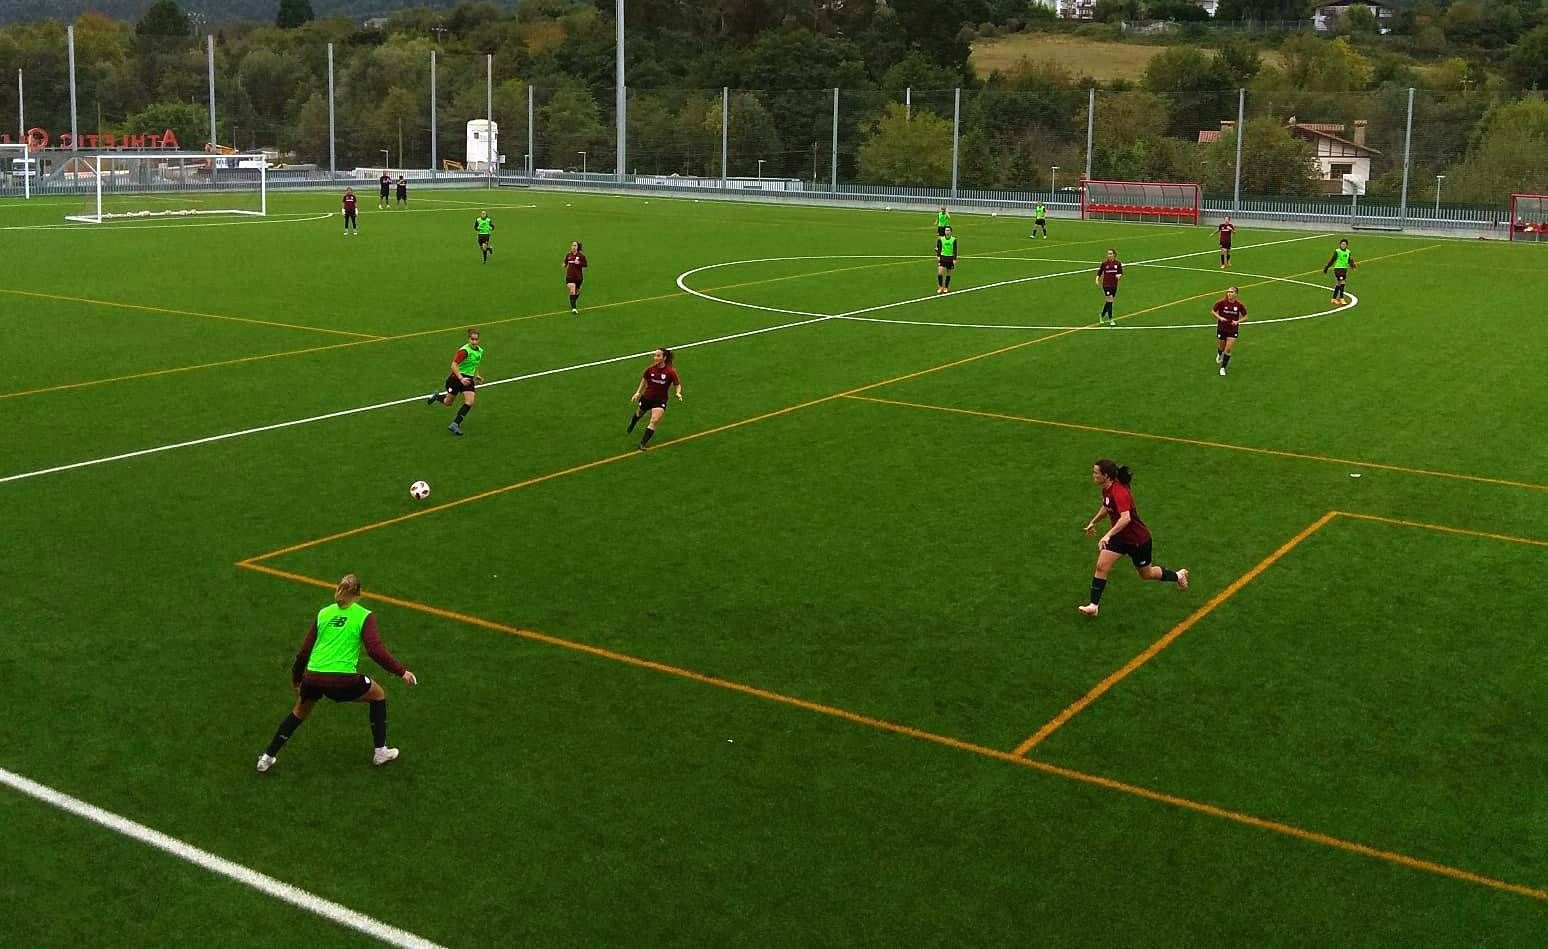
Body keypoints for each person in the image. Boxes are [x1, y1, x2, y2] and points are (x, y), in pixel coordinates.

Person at [256, 574, 417, 773]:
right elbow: (375, 650)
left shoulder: (323, 613)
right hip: (342, 680)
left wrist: (297, 679)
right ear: (359, 594)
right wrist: (401, 672)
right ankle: (381, 751)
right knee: (378, 695)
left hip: (313, 677)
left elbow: (304, 651)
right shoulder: (364, 615)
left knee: (299, 711)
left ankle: (267, 757)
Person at [1078, 460, 1189, 617]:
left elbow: (1126, 518)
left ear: (1106, 476)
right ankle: (1093, 606)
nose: (1093, 475)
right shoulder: (1107, 489)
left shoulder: (1119, 492)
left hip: (1138, 540)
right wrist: (1093, 522)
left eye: (1096, 473)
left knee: (1146, 574)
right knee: (1101, 566)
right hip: (1120, 537)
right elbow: (1107, 505)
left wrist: (1108, 534)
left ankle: (1178, 575)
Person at [426, 328, 483, 436]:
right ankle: (437, 397)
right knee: (448, 402)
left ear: (479, 340)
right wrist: (461, 378)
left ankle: (455, 424)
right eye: (472, 339)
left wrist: (477, 375)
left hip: (468, 379)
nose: (474, 341)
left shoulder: (480, 351)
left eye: (476, 339)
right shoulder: (464, 351)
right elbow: (453, 365)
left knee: (470, 401)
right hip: (456, 379)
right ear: (468, 339)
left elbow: (475, 364)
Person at [627, 348, 683, 451]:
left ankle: (642, 444)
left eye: (658, 356)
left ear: (664, 358)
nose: (655, 358)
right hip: (647, 397)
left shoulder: (670, 371)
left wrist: (678, 393)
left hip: (660, 400)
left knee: (654, 420)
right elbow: (644, 380)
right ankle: (633, 422)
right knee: (639, 413)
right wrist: (638, 392)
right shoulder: (650, 369)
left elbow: (677, 385)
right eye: (655, 355)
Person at [1213, 286, 1247, 377]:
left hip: (1232, 330)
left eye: (1231, 292)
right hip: (1222, 328)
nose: (1229, 294)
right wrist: (1220, 318)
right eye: (1228, 292)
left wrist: (1237, 321)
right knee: (1222, 347)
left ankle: (1223, 368)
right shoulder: (1221, 302)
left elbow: (1245, 316)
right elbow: (1213, 311)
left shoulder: (1239, 305)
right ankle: (1219, 354)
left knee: (1228, 349)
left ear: (1236, 294)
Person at [1322, 238, 1356, 305]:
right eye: (1342, 244)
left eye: (1344, 244)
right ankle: (1341, 298)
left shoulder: (1348, 252)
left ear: (1347, 245)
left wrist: (1353, 266)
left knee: (1339, 284)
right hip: (1338, 269)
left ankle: (1333, 299)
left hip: (1344, 269)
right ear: (1340, 245)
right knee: (1342, 282)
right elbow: (1332, 260)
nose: (1343, 245)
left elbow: (1349, 260)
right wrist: (1327, 267)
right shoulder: (1337, 251)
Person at [1095, 248, 1123, 325]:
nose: (1109, 255)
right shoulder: (1104, 264)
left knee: (1109, 302)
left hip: (1114, 285)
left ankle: (1101, 315)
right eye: (1108, 254)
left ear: (1114, 255)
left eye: (1110, 254)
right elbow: (1099, 272)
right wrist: (1097, 279)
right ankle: (1111, 319)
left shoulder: (1118, 263)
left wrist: (1119, 276)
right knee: (1110, 300)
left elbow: (1120, 272)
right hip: (1106, 285)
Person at [565, 240, 588, 313]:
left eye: (575, 245)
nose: (573, 247)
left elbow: (585, 265)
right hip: (569, 277)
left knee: (577, 292)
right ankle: (574, 308)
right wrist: (565, 264)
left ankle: (573, 300)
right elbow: (565, 261)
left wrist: (579, 263)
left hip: (578, 278)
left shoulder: (581, 256)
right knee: (572, 288)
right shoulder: (568, 255)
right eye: (572, 245)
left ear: (578, 247)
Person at [935, 226, 958, 294]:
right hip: (943, 257)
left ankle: (946, 287)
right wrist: (938, 256)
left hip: (950, 258)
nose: (947, 232)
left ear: (951, 232)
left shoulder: (953, 239)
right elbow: (939, 248)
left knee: (948, 273)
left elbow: (955, 249)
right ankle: (940, 287)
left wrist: (954, 259)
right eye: (946, 230)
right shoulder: (941, 239)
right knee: (940, 272)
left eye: (948, 230)